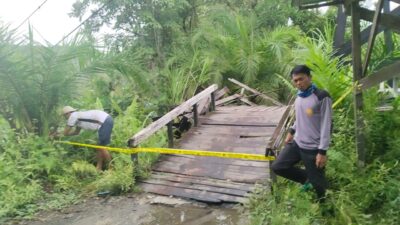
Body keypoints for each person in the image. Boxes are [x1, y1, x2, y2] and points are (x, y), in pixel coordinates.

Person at [271, 65, 332, 201]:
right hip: (297, 143)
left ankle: (326, 208)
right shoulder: (299, 97)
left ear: (310, 77)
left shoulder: (321, 96)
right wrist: (292, 131)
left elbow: (326, 125)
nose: (298, 83)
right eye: (295, 80)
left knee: (320, 189)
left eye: (301, 79)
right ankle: (309, 178)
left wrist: (322, 152)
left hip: (313, 148)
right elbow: (301, 118)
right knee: (278, 166)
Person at [62, 106, 113, 171]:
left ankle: (111, 168)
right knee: (99, 147)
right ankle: (98, 167)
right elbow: (76, 132)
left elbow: (65, 132)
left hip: (104, 121)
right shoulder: (78, 117)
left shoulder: (73, 116)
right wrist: (66, 134)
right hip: (105, 120)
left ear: (67, 113)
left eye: (64, 116)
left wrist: (59, 134)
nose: (65, 118)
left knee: (101, 147)